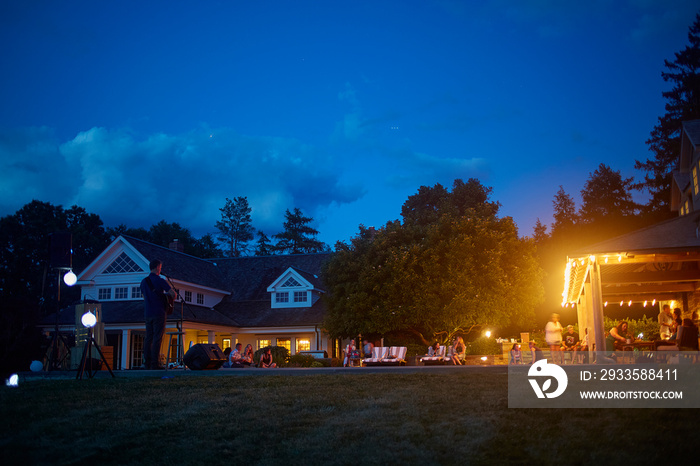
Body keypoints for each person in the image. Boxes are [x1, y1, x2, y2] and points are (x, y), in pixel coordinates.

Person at [140, 259, 176, 370]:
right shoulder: (160, 280)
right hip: (159, 312)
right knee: (157, 338)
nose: (161, 270)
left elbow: (143, 296)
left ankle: (147, 363)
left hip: (148, 312)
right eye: (160, 267)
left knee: (148, 338)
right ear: (157, 267)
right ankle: (155, 363)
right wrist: (166, 298)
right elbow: (172, 294)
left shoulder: (143, 282)